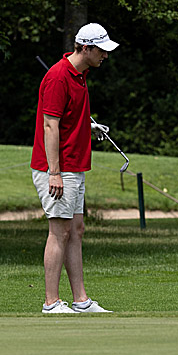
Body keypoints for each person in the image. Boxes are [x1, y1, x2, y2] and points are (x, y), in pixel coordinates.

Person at [31, 22, 119, 314]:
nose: (105, 55)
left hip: (74, 165)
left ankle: (80, 301)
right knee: (59, 231)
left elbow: (66, 118)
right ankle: (51, 302)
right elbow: (49, 124)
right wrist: (54, 172)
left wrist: (87, 126)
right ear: (86, 47)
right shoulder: (58, 77)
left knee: (76, 229)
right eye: (102, 50)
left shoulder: (80, 76)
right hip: (57, 168)